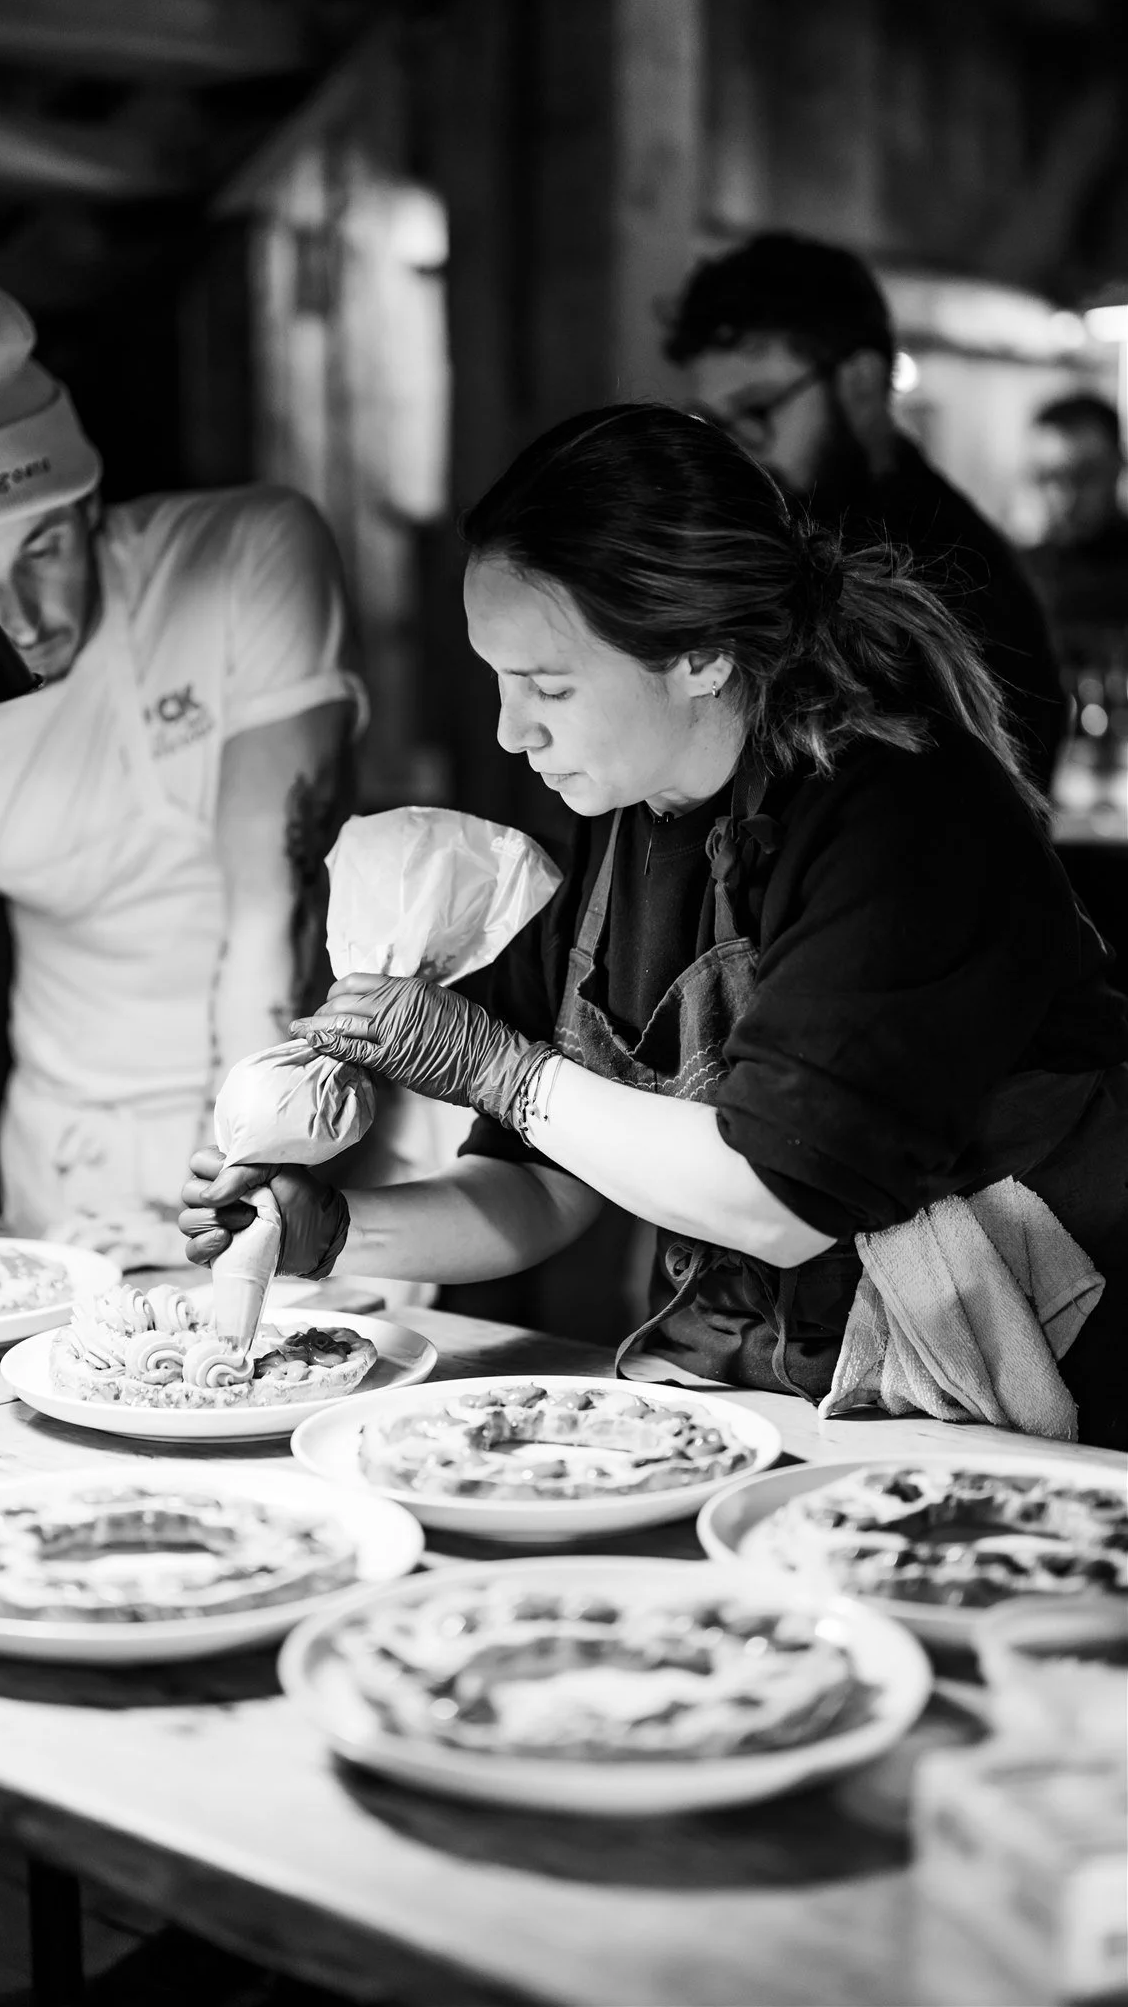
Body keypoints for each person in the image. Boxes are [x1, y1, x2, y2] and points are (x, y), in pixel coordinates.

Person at [181, 405, 1128, 1445]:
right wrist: (334, 1231)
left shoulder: (899, 811)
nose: (509, 729)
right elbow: (545, 1184)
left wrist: (508, 1073)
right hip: (792, 1385)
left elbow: (777, 1194)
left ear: (701, 656)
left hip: (1021, 1391)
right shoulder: (628, 819)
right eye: (498, 678)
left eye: (548, 685)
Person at [0, 277, 362, 1249]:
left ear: (91, 500)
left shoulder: (246, 558)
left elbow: (267, 910)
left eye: (45, 543)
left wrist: (243, 1168)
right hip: (70, 1145)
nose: (24, 611)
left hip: (298, 1098)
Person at [662, 232, 1067, 788]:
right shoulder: (764, 544)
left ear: (861, 382)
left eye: (758, 408)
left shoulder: (953, 575)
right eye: (713, 421)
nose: (737, 449)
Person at [1023, 393, 1128, 673]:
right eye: (1048, 477)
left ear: (1118, 467)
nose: (1065, 496)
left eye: (1085, 475)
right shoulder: (1019, 574)